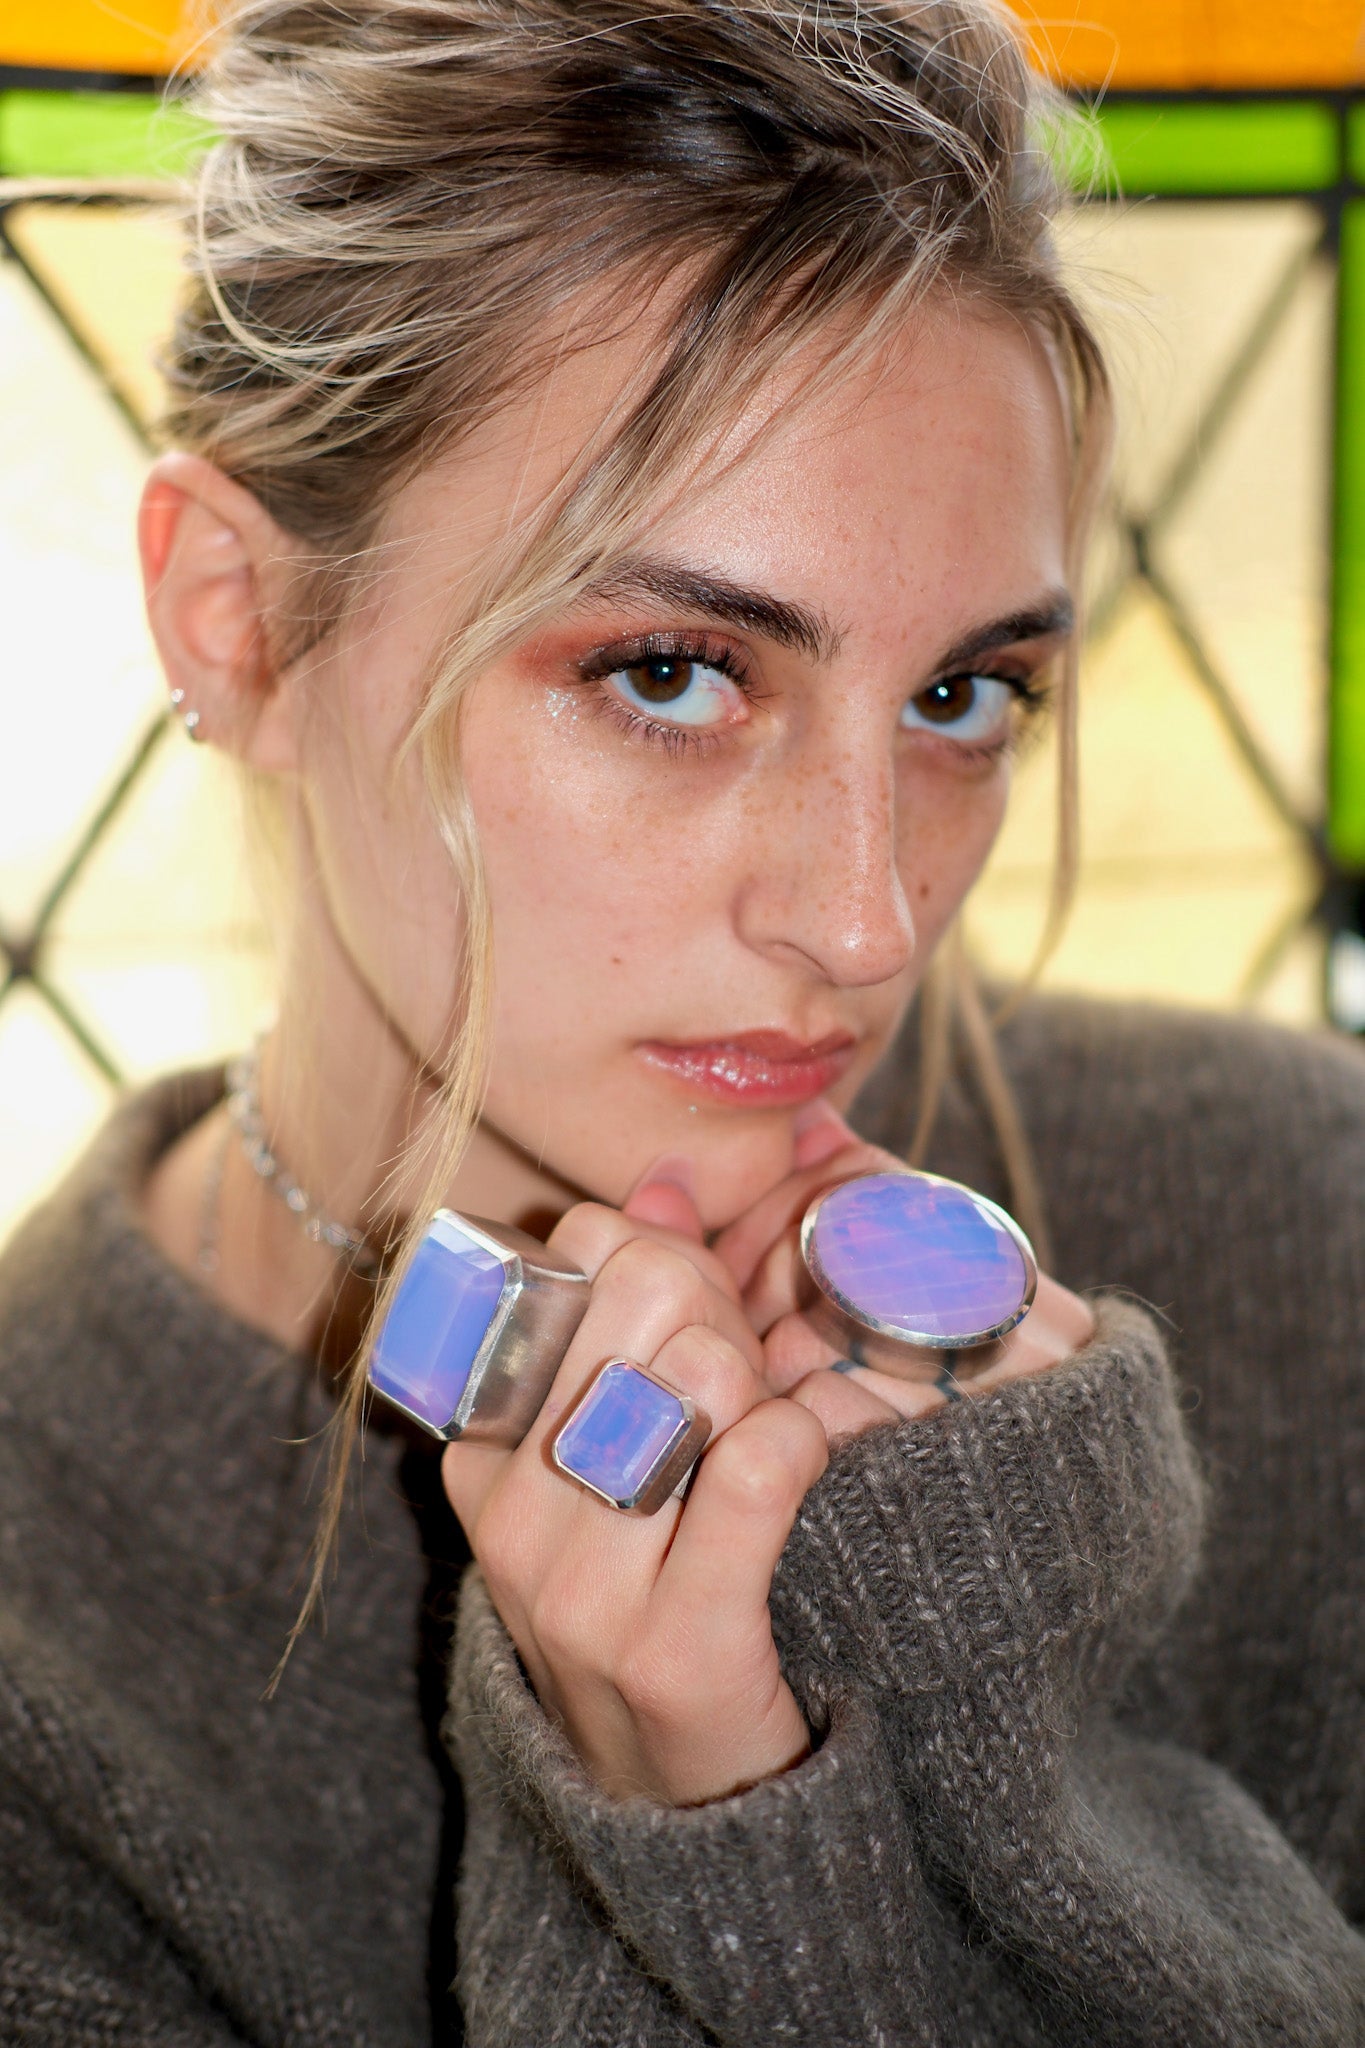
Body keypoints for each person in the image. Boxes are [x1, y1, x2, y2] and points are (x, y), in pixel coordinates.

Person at [2, 0, 1363, 2041]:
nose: (865, 911)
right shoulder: (37, 1678)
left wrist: (976, 1695)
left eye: (959, 696)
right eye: (668, 669)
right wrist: (718, 1867)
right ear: (240, 623)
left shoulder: (1308, 1231)